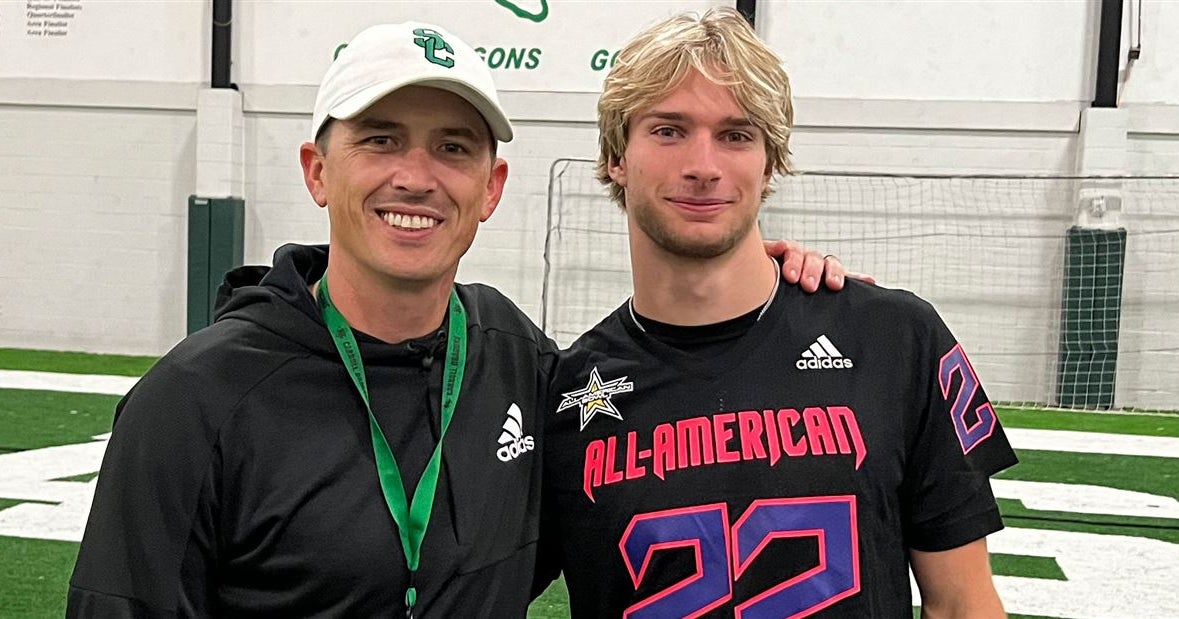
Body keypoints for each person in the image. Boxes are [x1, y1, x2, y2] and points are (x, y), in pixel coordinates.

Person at [67, 20, 846, 617]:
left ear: (491, 187)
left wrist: (766, 290)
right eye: (380, 141)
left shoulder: (523, 362)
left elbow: (665, 405)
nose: (416, 177)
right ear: (316, 170)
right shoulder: (194, 400)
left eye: (452, 147)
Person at [537, 8, 1018, 618]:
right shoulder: (561, 391)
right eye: (668, 130)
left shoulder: (893, 340)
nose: (703, 166)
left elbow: (963, 605)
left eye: (736, 135)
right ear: (616, 157)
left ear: (769, 163)